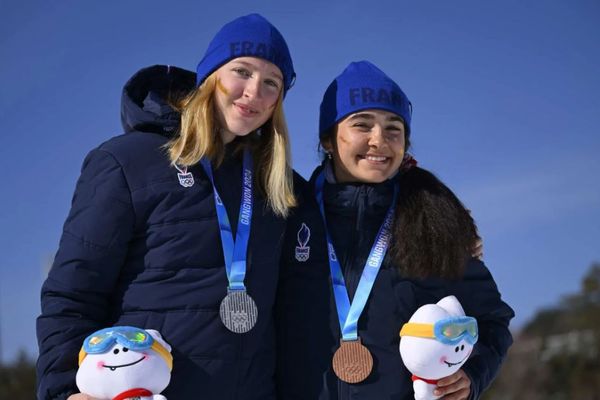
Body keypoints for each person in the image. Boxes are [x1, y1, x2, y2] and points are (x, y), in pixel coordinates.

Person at [37, 13, 297, 400]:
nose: (253, 92)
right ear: (211, 75)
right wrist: (63, 389)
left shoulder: (277, 187)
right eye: (241, 72)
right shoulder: (127, 162)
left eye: (271, 83)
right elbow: (74, 292)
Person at [276, 61, 514, 400]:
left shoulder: (431, 221)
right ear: (328, 139)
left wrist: (472, 376)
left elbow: (492, 321)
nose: (379, 141)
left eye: (393, 129)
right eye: (362, 125)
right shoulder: (286, 211)